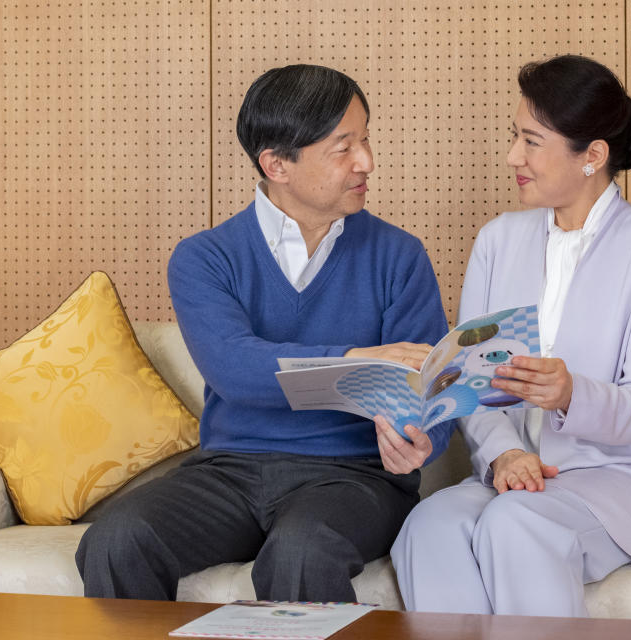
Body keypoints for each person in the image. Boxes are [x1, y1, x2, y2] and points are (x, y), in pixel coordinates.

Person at [75, 64, 454, 602]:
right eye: (343, 147)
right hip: (229, 472)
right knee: (115, 539)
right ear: (276, 163)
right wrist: (361, 357)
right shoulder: (204, 258)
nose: (366, 161)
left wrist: (419, 443)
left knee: (302, 551)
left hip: (354, 478)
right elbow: (235, 369)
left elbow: (432, 386)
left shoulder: (399, 255)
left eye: (365, 139)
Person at [379, 54, 631, 617]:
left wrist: (571, 393)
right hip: (520, 476)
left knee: (517, 524)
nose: (513, 157)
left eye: (531, 141)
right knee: (429, 526)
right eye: (515, 137)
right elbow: (469, 384)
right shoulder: (498, 240)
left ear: (592, 156)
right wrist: (504, 453)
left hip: (629, 479)